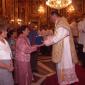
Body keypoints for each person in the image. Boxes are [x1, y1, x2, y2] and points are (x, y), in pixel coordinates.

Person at [44, 11, 79, 85]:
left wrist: (48, 42)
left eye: (51, 17)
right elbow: (58, 35)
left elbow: (58, 37)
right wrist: (50, 37)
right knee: (63, 63)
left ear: (54, 15)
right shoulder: (60, 22)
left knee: (64, 63)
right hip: (62, 46)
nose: (51, 19)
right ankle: (65, 79)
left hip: (64, 48)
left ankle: (66, 80)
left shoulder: (61, 23)